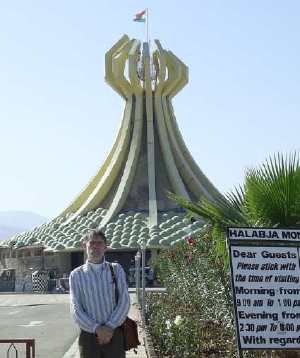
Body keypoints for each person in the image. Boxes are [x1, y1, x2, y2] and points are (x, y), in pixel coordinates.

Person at [69, 229, 130, 358]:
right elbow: (75, 308)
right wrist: (97, 329)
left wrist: (109, 327)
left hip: (114, 334)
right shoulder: (76, 275)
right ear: (84, 246)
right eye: (91, 243)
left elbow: (124, 302)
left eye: (99, 243)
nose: (95, 246)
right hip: (89, 337)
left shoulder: (116, 270)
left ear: (105, 247)